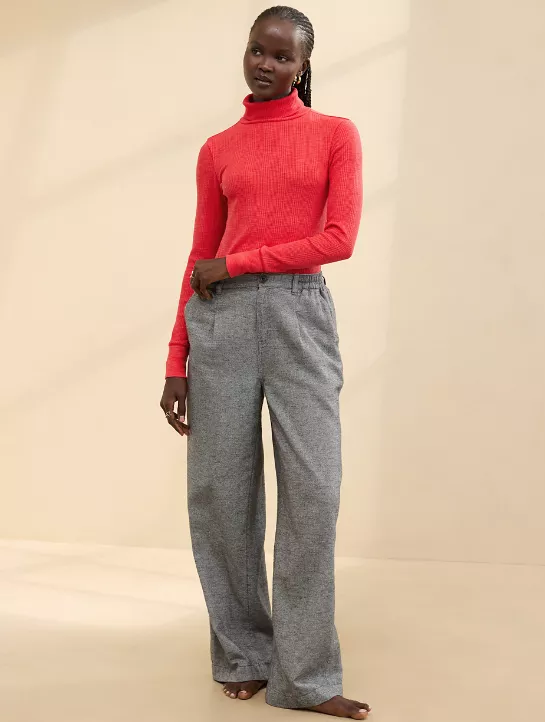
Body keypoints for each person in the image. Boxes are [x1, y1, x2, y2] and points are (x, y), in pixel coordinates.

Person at [160, 6, 369, 719]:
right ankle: (243, 652)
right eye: (257, 50)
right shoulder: (218, 148)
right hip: (218, 321)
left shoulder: (334, 134)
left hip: (297, 315)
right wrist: (176, 358)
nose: (265, 64)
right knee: (220, 494)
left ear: (303, 66)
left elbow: (338, 238)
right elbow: (199, 256)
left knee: (314, 491)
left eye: (282, 56)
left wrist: (241, 262)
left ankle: (304, 675)